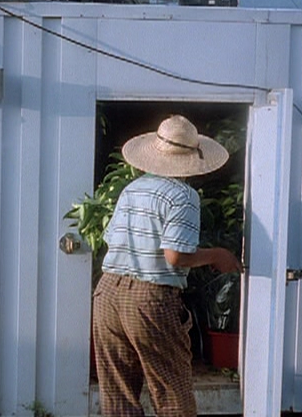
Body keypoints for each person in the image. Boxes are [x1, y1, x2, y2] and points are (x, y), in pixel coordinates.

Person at [92, 114, 244, 417]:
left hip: (108, 292)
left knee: (118, 396)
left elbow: (115, 241)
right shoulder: (183, 197)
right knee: (172, 393)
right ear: (193, 159)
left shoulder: (131, 190)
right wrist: (218, 256)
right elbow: (175, 256)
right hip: (149, 299)